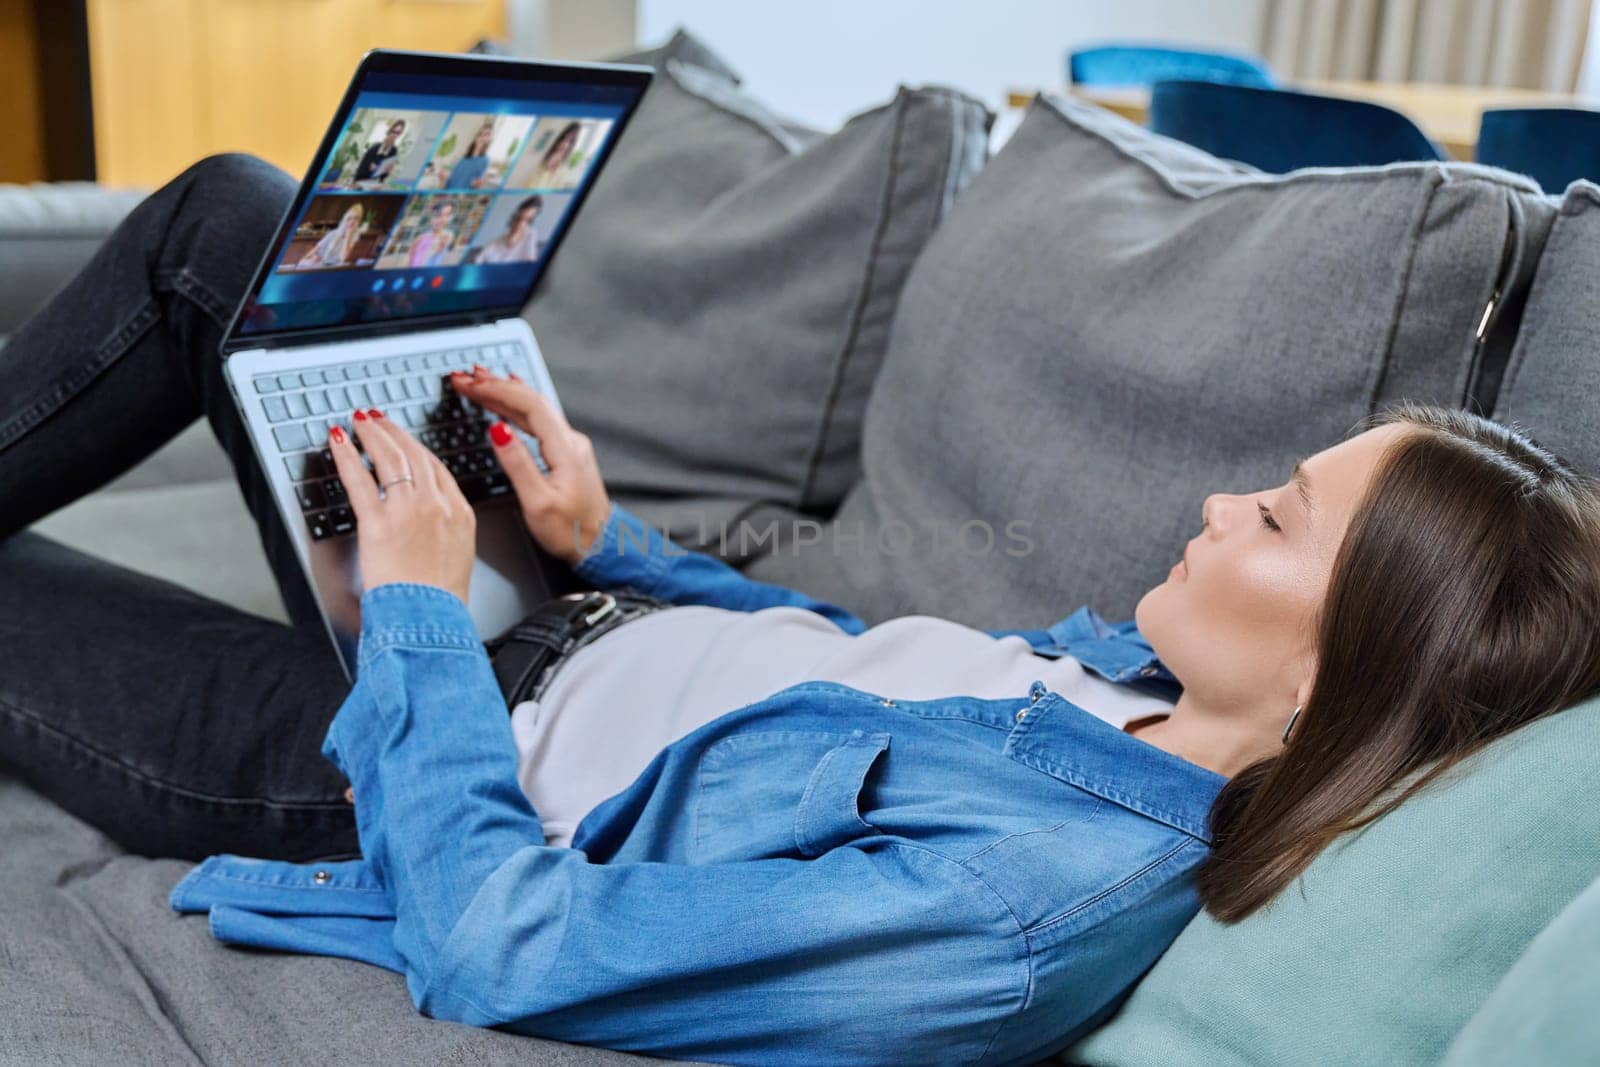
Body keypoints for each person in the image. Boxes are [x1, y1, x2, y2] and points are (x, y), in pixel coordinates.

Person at [4, 154, 1600, 1064]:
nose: (1211, 502)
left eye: (1273, 516)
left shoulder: (1014, 912)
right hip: (536, 608)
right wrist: (599, 534)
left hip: (415, 761)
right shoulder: (1134, 690)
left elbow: (506, 935)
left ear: (1345, 669)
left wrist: (421, 616)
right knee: (238, 222)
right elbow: (835, 666)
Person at [473, 195, 543, 264]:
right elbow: (476, 262)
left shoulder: (531, 234)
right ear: (511, 220)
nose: (520, 224)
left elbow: (531, 262)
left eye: (528, 220)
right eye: (518, 219)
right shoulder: (493, 244)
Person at [295, 201, 364, 269]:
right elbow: (316, 248)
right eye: (349, 218)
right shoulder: (333, 233)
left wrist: (348, 236)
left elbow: (343, 258)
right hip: (318, 259)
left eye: (356, 218)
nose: (352, 221)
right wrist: (303, 260)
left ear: (359, 221)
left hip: (331, 265)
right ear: (345, 219)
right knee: (306, 263)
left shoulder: (355, 236)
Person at [523, 120, 580, 188]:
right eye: (564, 139)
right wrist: (547, 167)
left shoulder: (563, 170)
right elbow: (530, 186)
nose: (564, 144)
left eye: (570, 141)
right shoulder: (541, 159)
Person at [444, 119, 496, 189]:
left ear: (489, 140)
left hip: (460, 198)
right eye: (481, 134)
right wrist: (443, 179)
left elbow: (475, 186)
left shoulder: (485, 160)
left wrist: (478, 183)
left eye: (487, 134)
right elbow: (448, 181)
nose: (482, 136)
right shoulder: (462, 158)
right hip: (446, 194)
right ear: (476, 137)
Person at [404, 198, 454, 268]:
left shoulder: (448, 235)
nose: (443, 219)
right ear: (431, 217)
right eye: (438, 215)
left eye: (447, 215)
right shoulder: (421, 238)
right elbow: (410, 261)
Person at [353, 118, 406, 184]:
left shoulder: (394, 151)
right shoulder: (375, 147)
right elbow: (362, 166)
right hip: (361, 179)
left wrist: (387, 172)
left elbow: (383, 176)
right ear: (389, 131)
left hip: (374, 183)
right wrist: (370, 166)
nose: (395, 135)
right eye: (393, 131)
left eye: (398, 133)